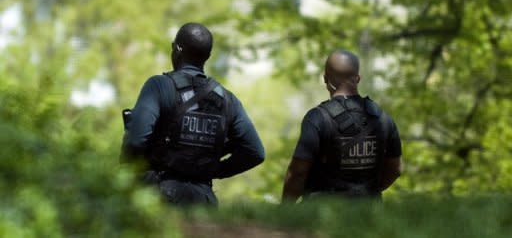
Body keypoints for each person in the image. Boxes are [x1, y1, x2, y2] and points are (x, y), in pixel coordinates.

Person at [121, 22, 265, 206]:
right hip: (204, 201)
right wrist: (215, 170)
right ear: (208, 56)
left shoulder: (158, 86)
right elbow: (255, 152)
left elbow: (135, 142)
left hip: (159, 197)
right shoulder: (228, 100)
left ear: (177, 49)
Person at [282, 50, 401, 202]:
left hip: (323, 214)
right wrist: (367, 194)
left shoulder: (317, 118)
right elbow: (395, 170)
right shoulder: (383, 119)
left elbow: (298, 172)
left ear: (325, 79)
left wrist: (286, 208)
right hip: (369, 215)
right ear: (358, 78)